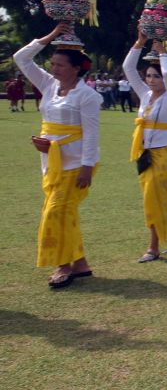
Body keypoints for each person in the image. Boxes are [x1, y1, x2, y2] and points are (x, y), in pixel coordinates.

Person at [14, 24, 101, 288]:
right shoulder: (49, 85)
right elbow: (21, 58)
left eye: (60, 65)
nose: (54, 68)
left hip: (76, 164)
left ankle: (63, 265)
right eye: (52, 63)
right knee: (66, 213)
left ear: (77, 68)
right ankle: (81, 263)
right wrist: (50, 36)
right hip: (50, 162)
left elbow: (91, 134)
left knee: (55, 212)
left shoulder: (88, 96)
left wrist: (87, 167)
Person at [123, 35, 167, 262]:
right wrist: (139, 42)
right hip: (145, 152)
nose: (151, 80)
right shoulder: (145, 95)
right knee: (158, 197)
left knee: (153, 198)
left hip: (166, 151)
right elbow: (128, 67)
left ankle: (153, 247)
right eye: (148, 76)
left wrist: (163, 53)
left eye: (156, 76)